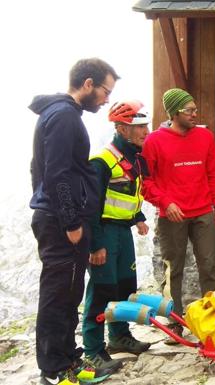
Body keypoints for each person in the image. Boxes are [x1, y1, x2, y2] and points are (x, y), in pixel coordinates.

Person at [29, 58, 119, 385]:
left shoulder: (61, 114)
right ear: (87, 84)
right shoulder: (64, 116)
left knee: (69, 293)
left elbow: (38, 170)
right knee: (58, 295)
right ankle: (53, 371)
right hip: (61, 223)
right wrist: (69, 220)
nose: (107, 98)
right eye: (105, 91)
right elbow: (57, 174)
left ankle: (68, 361)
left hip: (58, 217)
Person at [141, 88, 215, 341]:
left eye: (195, 109)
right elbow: (146, 182)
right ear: (174, 112)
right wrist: (166, 203)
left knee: (210, 266)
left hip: (203, 212)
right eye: (189, 110)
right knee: (172, 268)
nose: (195, 114)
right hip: (171, 215)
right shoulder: (154, 141)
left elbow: (213, 173)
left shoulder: (205, 137)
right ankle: (174, 321)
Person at [82, 100, 152, 371]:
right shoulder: (102, 161)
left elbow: (124, 195)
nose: (146, 131)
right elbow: (91, 206)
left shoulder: (132, 156)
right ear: (122, 129)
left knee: (124, 287)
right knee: (101, 291)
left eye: (146, 125)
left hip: (124, 231)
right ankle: (93, 350)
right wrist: (96, 244)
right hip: (105, 233)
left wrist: (139, 218)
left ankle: (119, 336)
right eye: (139, 127)